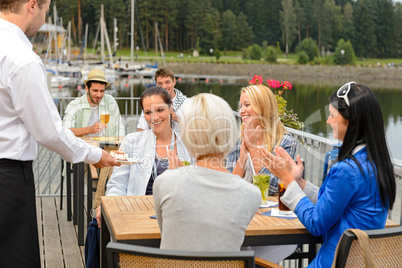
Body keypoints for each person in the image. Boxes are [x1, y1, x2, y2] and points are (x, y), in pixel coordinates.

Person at [0, 1, 119, 267]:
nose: (44, 17)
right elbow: (49, 131)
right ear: (32, 5)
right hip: (7, 179)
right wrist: (96, 154)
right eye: (45, 9)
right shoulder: (22, 58)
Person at [259, 82, 396, 267]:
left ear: (352, 121)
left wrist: (288, 181)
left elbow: (317, 223)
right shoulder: (376, 163)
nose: (327, 121)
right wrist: (299, 183)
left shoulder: (348, 170)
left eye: (332, 116)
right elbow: (334, 201)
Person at [153, 93, 261, 251]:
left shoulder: (164, 183)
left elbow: (172, 235)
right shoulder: (251, 194)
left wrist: (176, 177)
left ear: (186, 134)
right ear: (230, 133)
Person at [95, 87, 193, 226]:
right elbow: (118, 183)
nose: (155, 117)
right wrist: (110, 203)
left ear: (170, 108)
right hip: (136, 214)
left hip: (178, 217)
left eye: (160, 110)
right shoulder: (132, 141)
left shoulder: (188, 144)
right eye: (148, 112)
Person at [226, 84, 297, 196]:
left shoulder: (285, 142)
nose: (241, 111)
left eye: (247, 105)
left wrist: (253, 149)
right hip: (239, 201)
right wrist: (242, 158)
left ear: (263, 107)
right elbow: (229, 183)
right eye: (240, 106)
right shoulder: (238, 139)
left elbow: (272, 188)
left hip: (267, 209)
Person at [63, 68, 125, 137]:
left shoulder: (110, 100)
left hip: (106, 146)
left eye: (102, 91)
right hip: (83, 146)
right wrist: (90, 130)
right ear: (87, 89)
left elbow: (119, 128)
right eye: (95, 91)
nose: (99, 95)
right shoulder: (75, 105)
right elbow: (65, 131)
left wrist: (119, 144)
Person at [137, 67, 187, 132]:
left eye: (167, 82)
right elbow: (141, 129)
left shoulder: (187, 103)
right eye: (160, 84)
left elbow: (196, 130)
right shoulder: (150, 103)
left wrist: (177, 119)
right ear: (156, 84)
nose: (164, 87)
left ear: (174, 81)